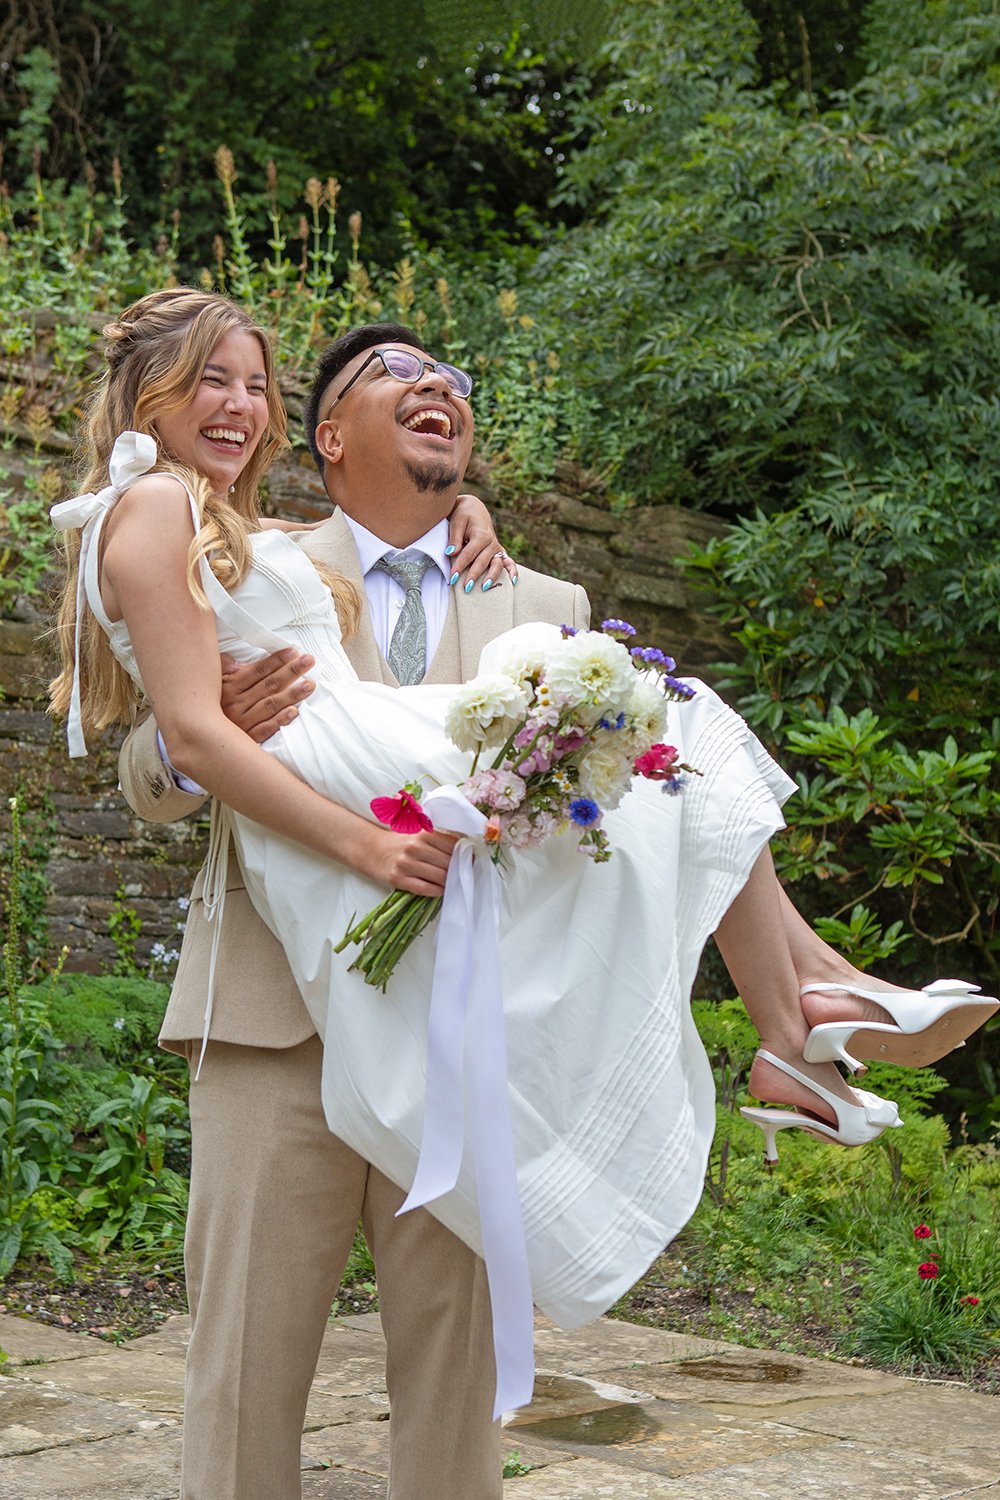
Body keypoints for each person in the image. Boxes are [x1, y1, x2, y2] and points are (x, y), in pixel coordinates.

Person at [50, 291, 996, 1500]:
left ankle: (806, 1012)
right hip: (272, 1002)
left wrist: (460, 515)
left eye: (252, 386)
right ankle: (804, 1014)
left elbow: (579, 823)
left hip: (464, 1017)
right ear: (332, 435)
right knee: (245, 1359)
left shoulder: (542, 604)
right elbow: (153, 757)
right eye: (396, 372)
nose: (241, 405)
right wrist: (204, 743)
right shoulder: (252, 540)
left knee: (453, 1366)